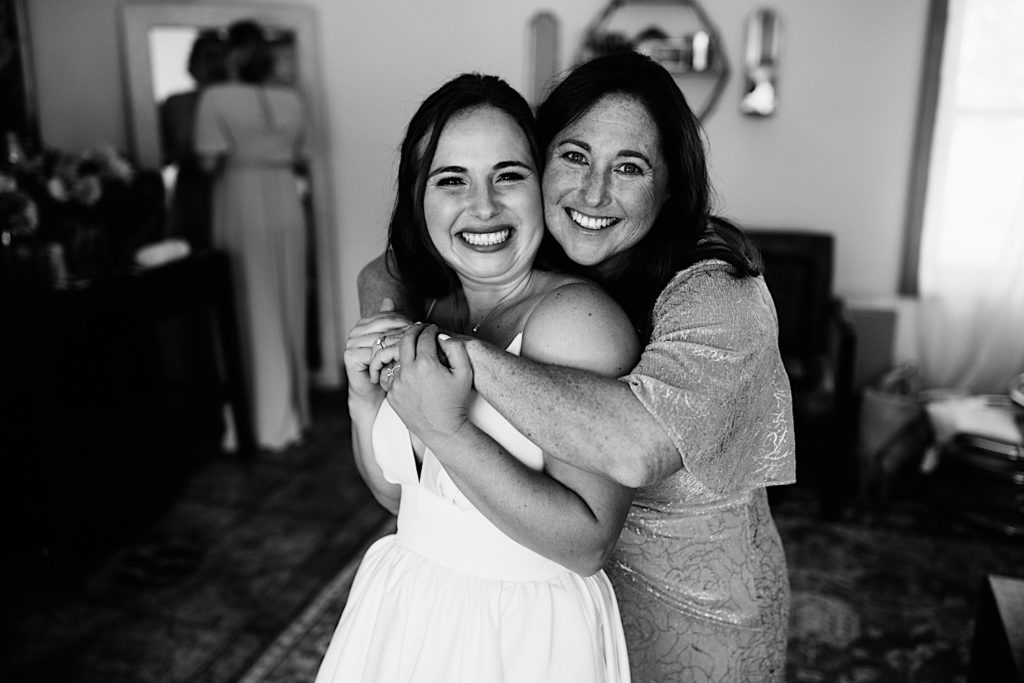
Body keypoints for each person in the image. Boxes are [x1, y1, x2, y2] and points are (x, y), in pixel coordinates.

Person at [364, 51, 796, 682]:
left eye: (629, 167)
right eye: (573, 156)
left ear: (671, 184)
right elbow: (386, 268)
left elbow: (637, 449)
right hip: (557, 594)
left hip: (695, 603)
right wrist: (384, 345)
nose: (594, 193)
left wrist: (447, 351)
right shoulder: (549, 261)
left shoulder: (720, 294)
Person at [316, 73, 638, 682]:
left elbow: (588, 544)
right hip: (405, 605)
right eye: (451, 180)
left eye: (508, 175)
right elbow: (398, 496)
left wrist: (445, 429)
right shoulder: (433, 308)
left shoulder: (575, 322)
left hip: (515, 634)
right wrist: (364, 404)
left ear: (541, 185)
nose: (483, 206)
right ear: (419, 200)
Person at [194, 19, 309, 451]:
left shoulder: (216, 97)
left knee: (250, 304)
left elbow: (208, 162)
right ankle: (291, 411)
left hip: (239, 196)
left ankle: (260, 420)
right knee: (287, 300)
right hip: (284, 195)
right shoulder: (292, 99)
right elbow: (299, 152)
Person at [158, 29, 227, 250]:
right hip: (192, 189)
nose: (210, 65)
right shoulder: (176, 103)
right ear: (193, 63)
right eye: (205, 57)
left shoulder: (238, 102)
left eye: (215, 57)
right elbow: (158, 155)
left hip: (231, 184)